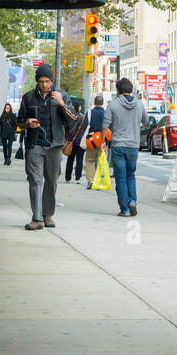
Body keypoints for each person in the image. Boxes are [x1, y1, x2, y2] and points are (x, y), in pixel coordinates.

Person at [17, 63, 78, 230]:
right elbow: (19, 122)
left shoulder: (62, 96)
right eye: (41, 81)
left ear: (52, 81)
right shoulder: (28, 97)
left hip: (55, 145)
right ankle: (37, 219)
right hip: (35, 145)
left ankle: (48, 214)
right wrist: (27, 123)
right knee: (36, 180)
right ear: (37, 81)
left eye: (48, 81)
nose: (45, 85)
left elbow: (73, 119)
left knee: (51, 181)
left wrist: (61, 104)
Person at [103, 79, 147, 217]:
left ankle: (125, 209)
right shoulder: (139, 104)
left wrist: (103, 142)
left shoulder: (113, 104)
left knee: (120, 178)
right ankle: (132, 200)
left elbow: (105, 124)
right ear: (131, 89)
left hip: (118, 146)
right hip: (133, 145)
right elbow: (145, 121)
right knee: (130, 175)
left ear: (118, 90)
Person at [83, 94, 106, 188]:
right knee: (101, 161)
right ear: (103, 103)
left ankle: (90, 181)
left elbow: (84, 126)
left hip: (92, 141)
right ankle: (100, 182)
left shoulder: (89, 113)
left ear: (94, 102)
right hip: (103, 141)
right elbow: (111, 127)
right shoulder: (107, 113)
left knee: (89, 160)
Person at [65, 96, 88, 183]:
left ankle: (68, 177)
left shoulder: (70, 116)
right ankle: (78, 178)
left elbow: (67, 128)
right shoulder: (83, 117)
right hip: (80, 141)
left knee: (70, 159)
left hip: (71, 141)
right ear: (79, 107)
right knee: (79, 160)